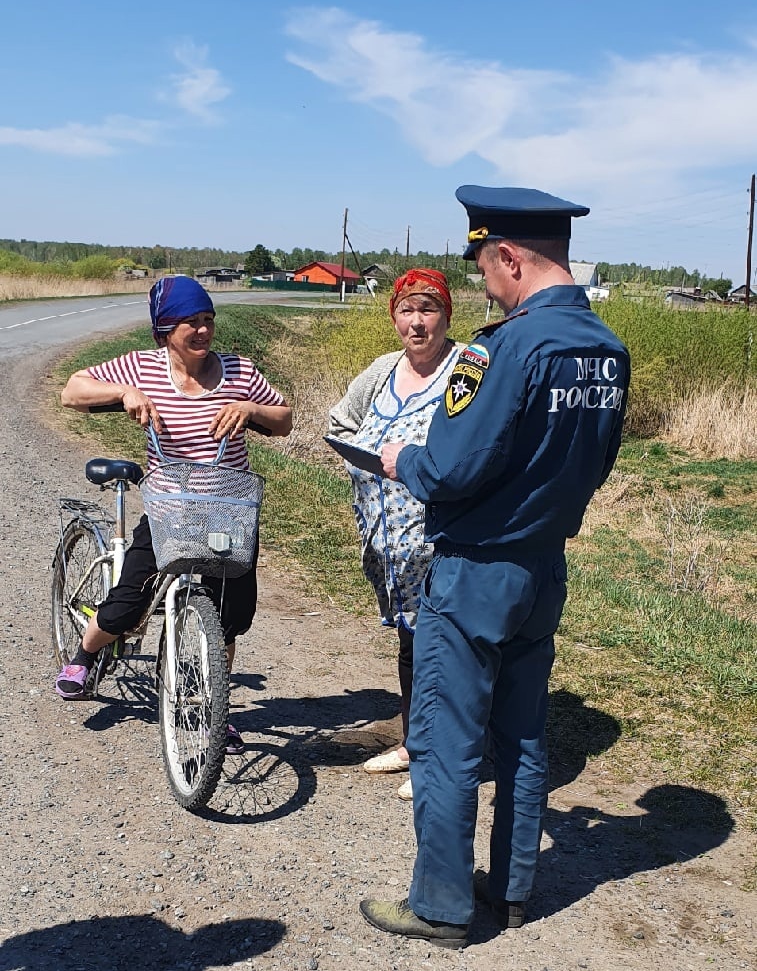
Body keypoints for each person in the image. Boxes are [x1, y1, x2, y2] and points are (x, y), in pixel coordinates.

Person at [359, 186, 630, 949]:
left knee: (447, 741)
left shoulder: (501, 349)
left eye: (484, 265)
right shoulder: (605, 348)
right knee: (523, 735)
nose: (483, 283)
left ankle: (440, 906)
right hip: (543, 569)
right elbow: (596, 464)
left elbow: (448, 468)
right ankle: (510, 891)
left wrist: (399, 457)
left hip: (475, 568)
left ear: (509, 256)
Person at [54, 275, 293, 753]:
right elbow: (71, 391)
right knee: (129, 603)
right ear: (165, 330)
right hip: (169, 510)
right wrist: (122, 394)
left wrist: (250, 409)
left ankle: (213, 707)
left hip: (229, 511)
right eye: (191, 323)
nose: (203, 332)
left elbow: (284, 419)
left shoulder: (239, 371)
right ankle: (83, 657)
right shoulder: (142, 368)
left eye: (208, 321)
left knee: (228, 615)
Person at [328, 269, 460, 801]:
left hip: (444, 542)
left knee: (445, 649)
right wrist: (360, 467)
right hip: (388, 545)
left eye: (428, 309)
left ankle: (444, 758)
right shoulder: (383, 370)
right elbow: (339, 426)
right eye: (407, 310)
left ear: (447, 316)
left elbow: (480, 449)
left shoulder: (466, 369)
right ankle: (412, 742)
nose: (417, 321)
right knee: (411, 644)